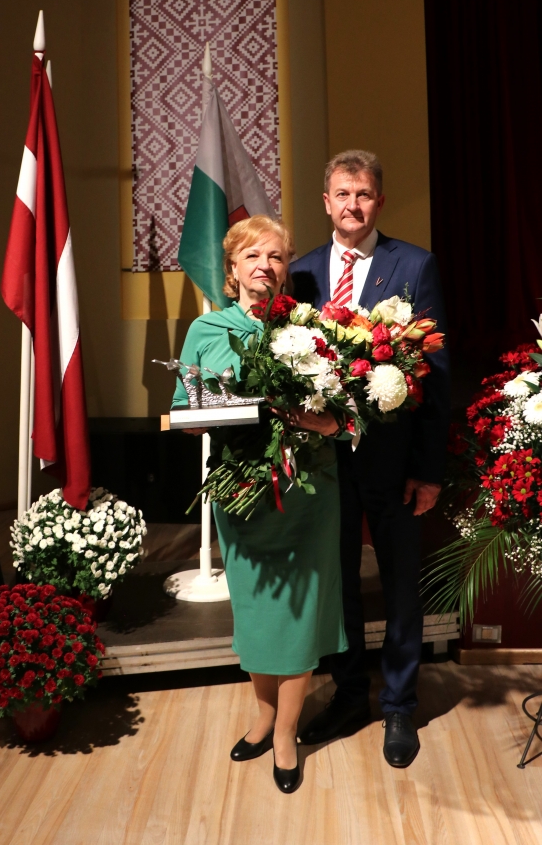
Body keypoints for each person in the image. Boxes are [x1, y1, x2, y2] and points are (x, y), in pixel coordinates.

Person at [171, 214, 347, 794]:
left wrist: (316, 420)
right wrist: (208, 416)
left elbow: (343, 417)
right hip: (241, 490)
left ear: (286, 266)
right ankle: (265, 715)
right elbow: (184, 411)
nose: (264, 266)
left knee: (297, 611)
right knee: (255, 611)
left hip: (306, 490)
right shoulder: (206, 330)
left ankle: (286, 733)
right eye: (252, 256)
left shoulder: (312, 327)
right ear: (232, 269)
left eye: (275, 256)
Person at [289, 149, 450, 769]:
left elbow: (434, 374)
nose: (352, 204)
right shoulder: (301, 273)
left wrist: (428, 470)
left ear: (378, 200)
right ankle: (351, 693)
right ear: (326, 202)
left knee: (401, 583)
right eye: (342, 194)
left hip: (394, 461)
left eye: (363, 194)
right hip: (325, 464)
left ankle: (400, 704)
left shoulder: (414, 265)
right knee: (339, 586)